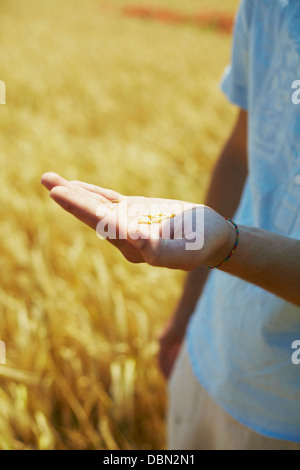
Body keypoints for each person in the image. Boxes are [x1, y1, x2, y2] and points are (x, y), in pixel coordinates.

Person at [41, 0, 300, 450]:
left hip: (284, 417)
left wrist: (228, 245)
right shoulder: (267, 5)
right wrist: (185, 313)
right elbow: (240, 154)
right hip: (207, 352)